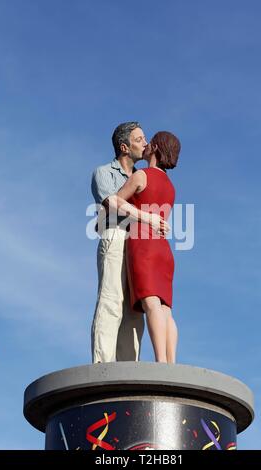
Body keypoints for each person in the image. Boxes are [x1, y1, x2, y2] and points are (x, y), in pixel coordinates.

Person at [91, 122, 169, 363]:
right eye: (139, 139)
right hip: (116, 237)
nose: (145, 143)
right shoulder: (104, 172)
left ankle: (127, 369)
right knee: (111, 300)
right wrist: (149, 218)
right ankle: (103, 367)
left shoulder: (141, 176)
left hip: (139, 245)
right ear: (124, 147)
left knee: (135, 310)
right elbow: (112, 204)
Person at [113, 131, 181, 363]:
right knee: (165, 310)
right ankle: (171, 363)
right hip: (164, 250)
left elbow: (115, 201)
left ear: (156, 149)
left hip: (144, 245)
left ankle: (160, 362)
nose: (147, 145)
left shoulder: (141, 176)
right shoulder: (171, 187)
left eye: (151, 142)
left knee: (151, 303)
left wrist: (140, 215)